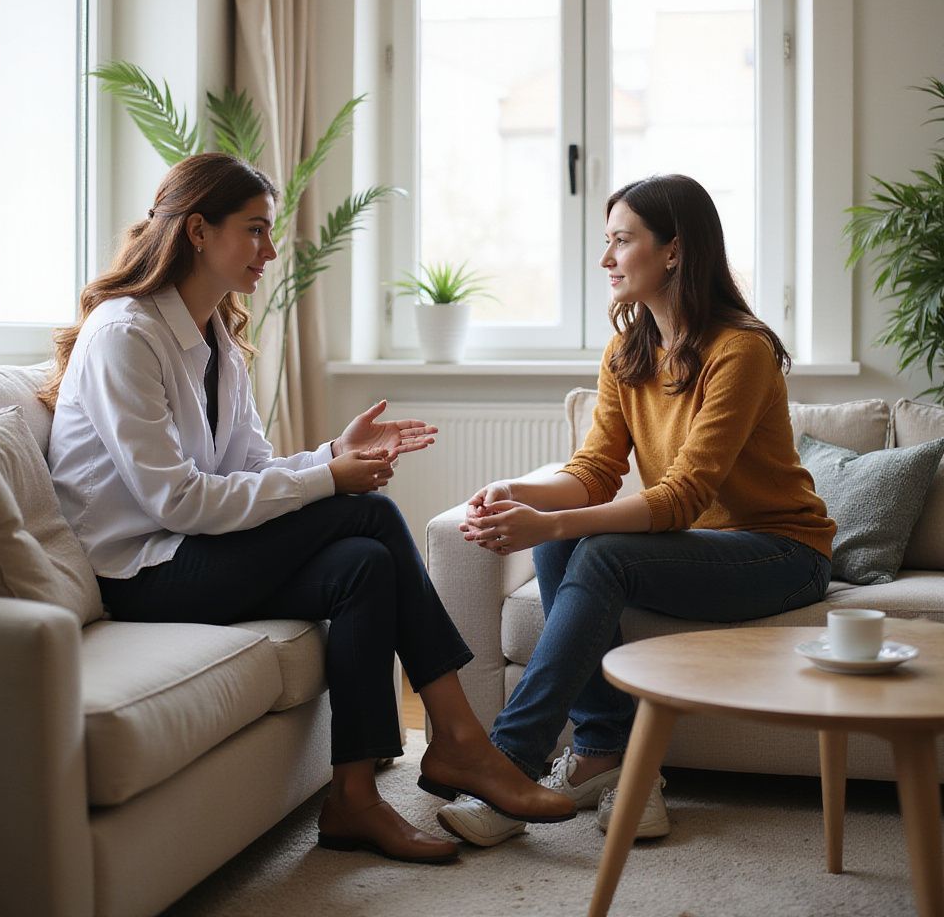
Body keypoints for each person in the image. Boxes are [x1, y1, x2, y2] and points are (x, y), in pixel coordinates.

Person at [41, 152, 574, 866]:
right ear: (198, 231)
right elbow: (178, 498)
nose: (270, 250)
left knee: (361, 565)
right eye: (255, 231)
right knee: (372, 517)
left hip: (192, 552)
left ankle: (353, 798)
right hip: (141, 572)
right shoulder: (125, 335)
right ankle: (463, 743)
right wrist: (331, 477)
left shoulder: (216, 338)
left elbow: (251, 471)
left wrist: (328, 455)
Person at [437, 174, 836, 848]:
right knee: (563, 545)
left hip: (781, 553)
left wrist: (554, 522)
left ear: (674, 251)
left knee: (587, 546)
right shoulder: (628, 351)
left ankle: (506, 768)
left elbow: (682, 496)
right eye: (607, 241)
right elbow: (595, 474)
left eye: (621, 241)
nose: (606, 260)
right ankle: (608, 760)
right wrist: (520, 493)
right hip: (697, 554)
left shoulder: (743, 350)